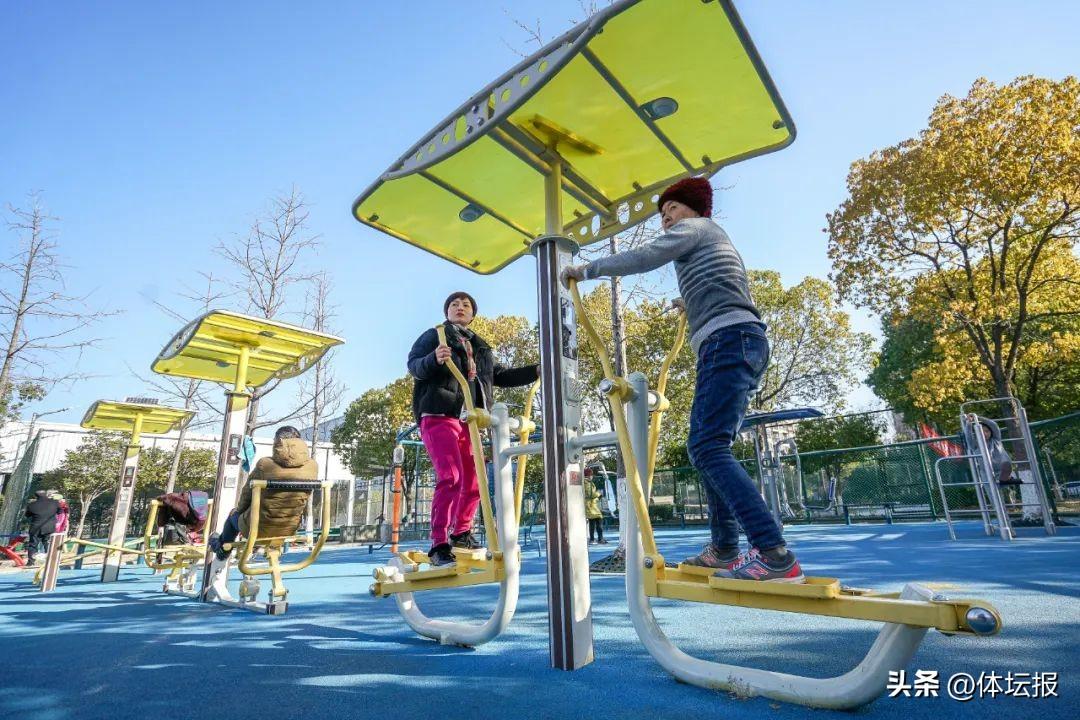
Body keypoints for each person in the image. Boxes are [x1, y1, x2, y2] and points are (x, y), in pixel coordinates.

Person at [561, 177, 804, 583]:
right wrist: (687, 302)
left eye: (671, 208)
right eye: (662, 214)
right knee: (712, 446)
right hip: (738, 339)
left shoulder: (697, 227)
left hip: (728, 339)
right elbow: (720, 283)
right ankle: (724, 548)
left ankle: (774, 553)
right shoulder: (710, 240)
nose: (666, 218)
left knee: (707, 446)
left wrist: (587, 270)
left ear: (693, 207)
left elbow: (647, 256)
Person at [408, 291, 540, 567]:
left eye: (466, 305)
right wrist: (434, 358)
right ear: (447, 311)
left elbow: (499, 375)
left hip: (469, 419)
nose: (460, 307)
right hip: (439, 413)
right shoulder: (436, 336)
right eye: (454, 304)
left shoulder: (480, 347)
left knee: (474, 480)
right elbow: (415, 365)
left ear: (472, 314)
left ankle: (461, 533)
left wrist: (537, 370)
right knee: (451, 477)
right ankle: (439, 543)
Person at [208, 426, 318, 561]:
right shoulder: (312, 466)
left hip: (258, 528)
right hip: (289, 528)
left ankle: (222, 551)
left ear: (278, 442)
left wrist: (238, 512)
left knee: (233, 516)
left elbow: (246, 495)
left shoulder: (265, 464)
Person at [23, 489, 60, 567]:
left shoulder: (32, 505)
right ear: (46, 494)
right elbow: (59, 511)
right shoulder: (55, 503)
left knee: (33, 545)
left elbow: (27, 515)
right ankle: (51, 561)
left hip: (35, 528)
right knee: (48, 544)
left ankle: (31, 562)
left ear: (36, 496)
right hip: (49, 527)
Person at [583, 474, 606, 545]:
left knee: (592, 522)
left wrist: (597, 498)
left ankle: (593, 539)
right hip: (591, 505)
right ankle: (599, 539)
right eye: (591, 475)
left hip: (591, 505)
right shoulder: (587, 483)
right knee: (598, 520)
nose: (592, 476)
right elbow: (591, 494)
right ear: (589, 475)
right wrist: (599, 494)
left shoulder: (587, 482)